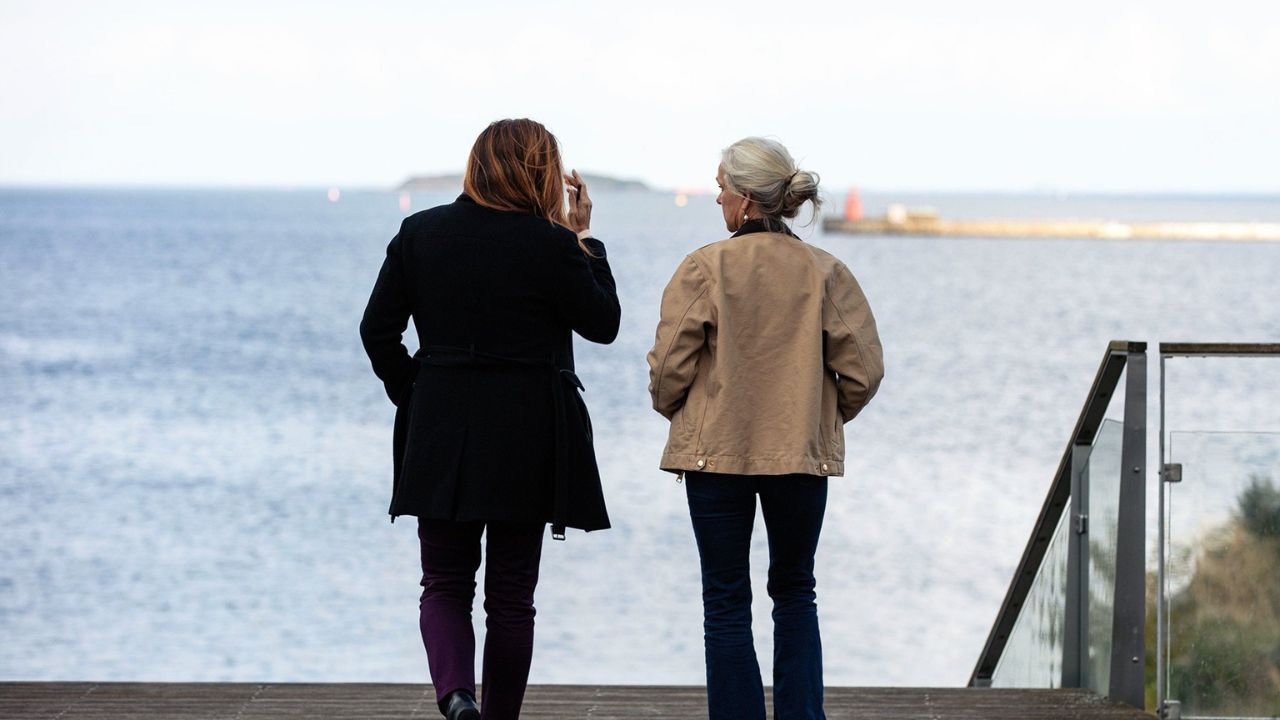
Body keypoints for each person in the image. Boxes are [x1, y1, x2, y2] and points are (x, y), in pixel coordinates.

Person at [360, 119, 620, 720]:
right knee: (511, 598)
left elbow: (377, 332)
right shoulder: (552, 245)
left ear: (477, 164)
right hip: (528, 436)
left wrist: (414, 392)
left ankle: (456, 695)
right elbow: (603, 323)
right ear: (546, 174)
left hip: (442, 428)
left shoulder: (419, 233)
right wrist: (583, 239)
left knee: (444, 583)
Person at [647, 137, 884, 720]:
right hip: (800, 457)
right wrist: (819, 415)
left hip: (714, 460)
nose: (717, 197)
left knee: (725, 602)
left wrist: (674, 408)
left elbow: (668, 371)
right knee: (795, 593)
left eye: (722, 186)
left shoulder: (705, 267)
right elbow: (864, 371)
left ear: (747, 198)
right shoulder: (826, 271)